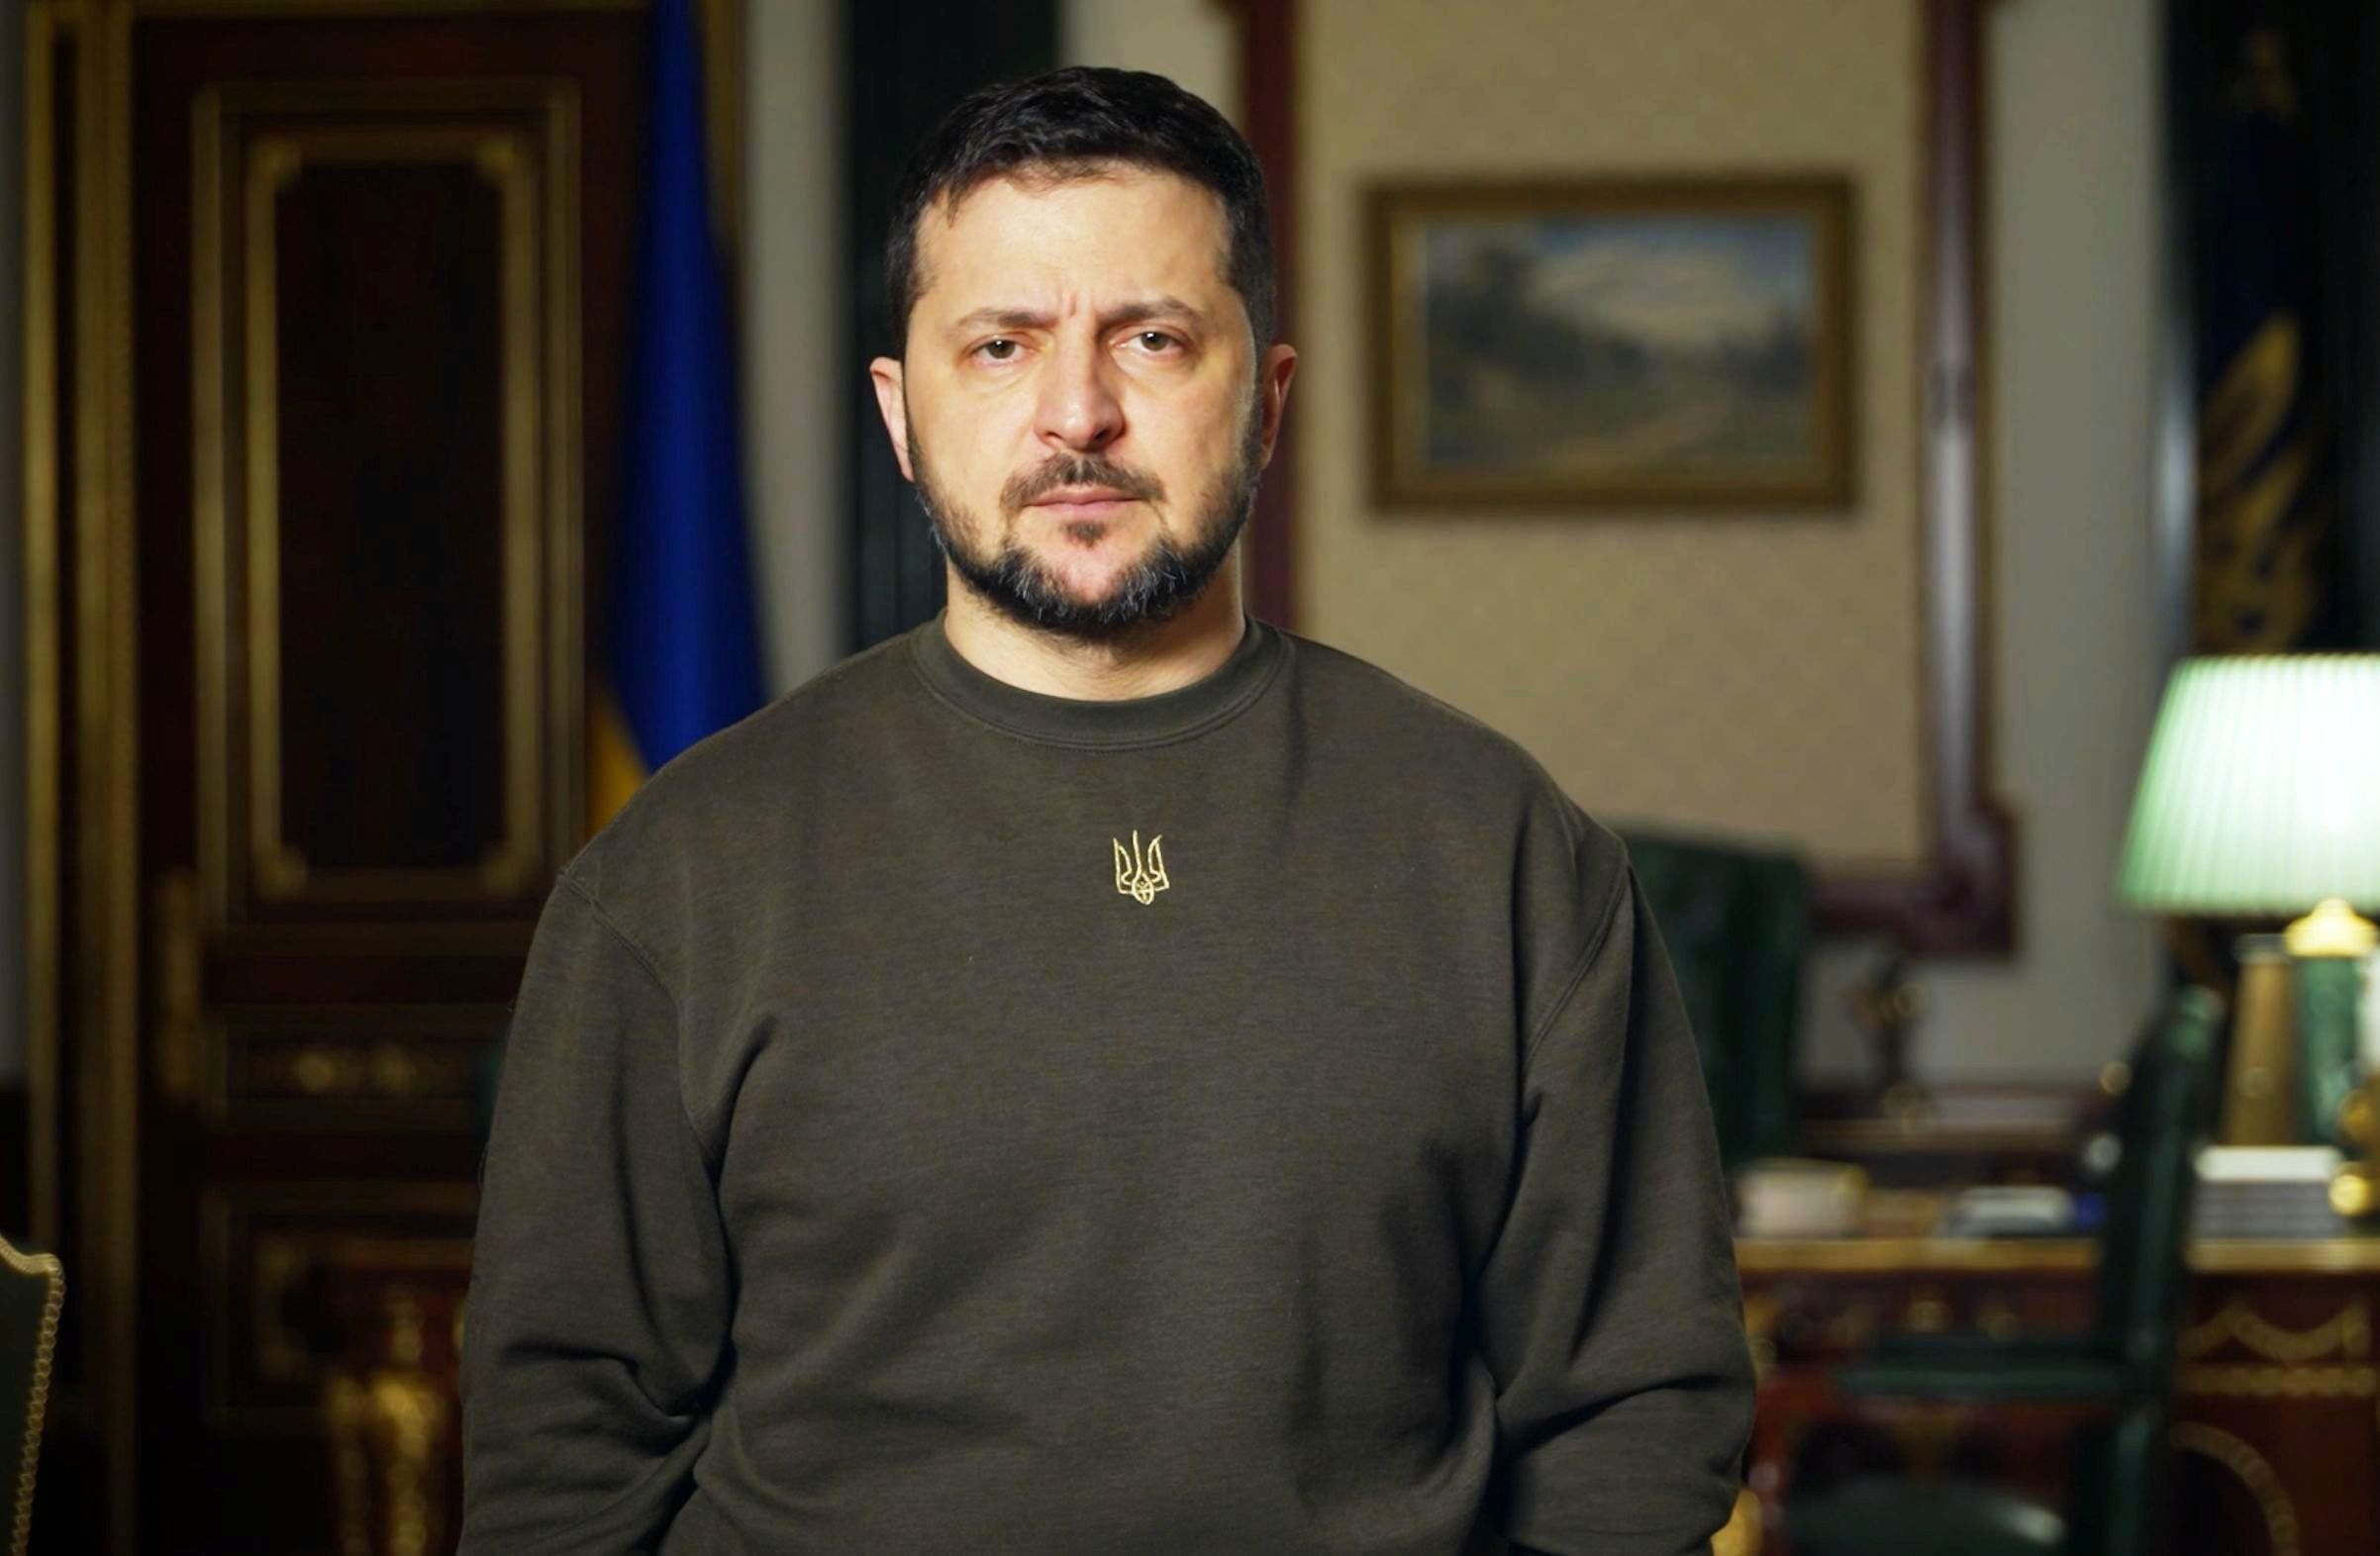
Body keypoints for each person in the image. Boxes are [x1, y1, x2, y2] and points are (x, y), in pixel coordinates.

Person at [460, 65, 1753, 1556]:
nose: (1077, 413)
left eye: (1152, 338)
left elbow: (1637, 1413)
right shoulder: (681, 871)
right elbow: (562, 1458)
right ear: (901, 411)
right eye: (1000, 345)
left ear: (1266, 399)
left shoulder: (1503, 850)